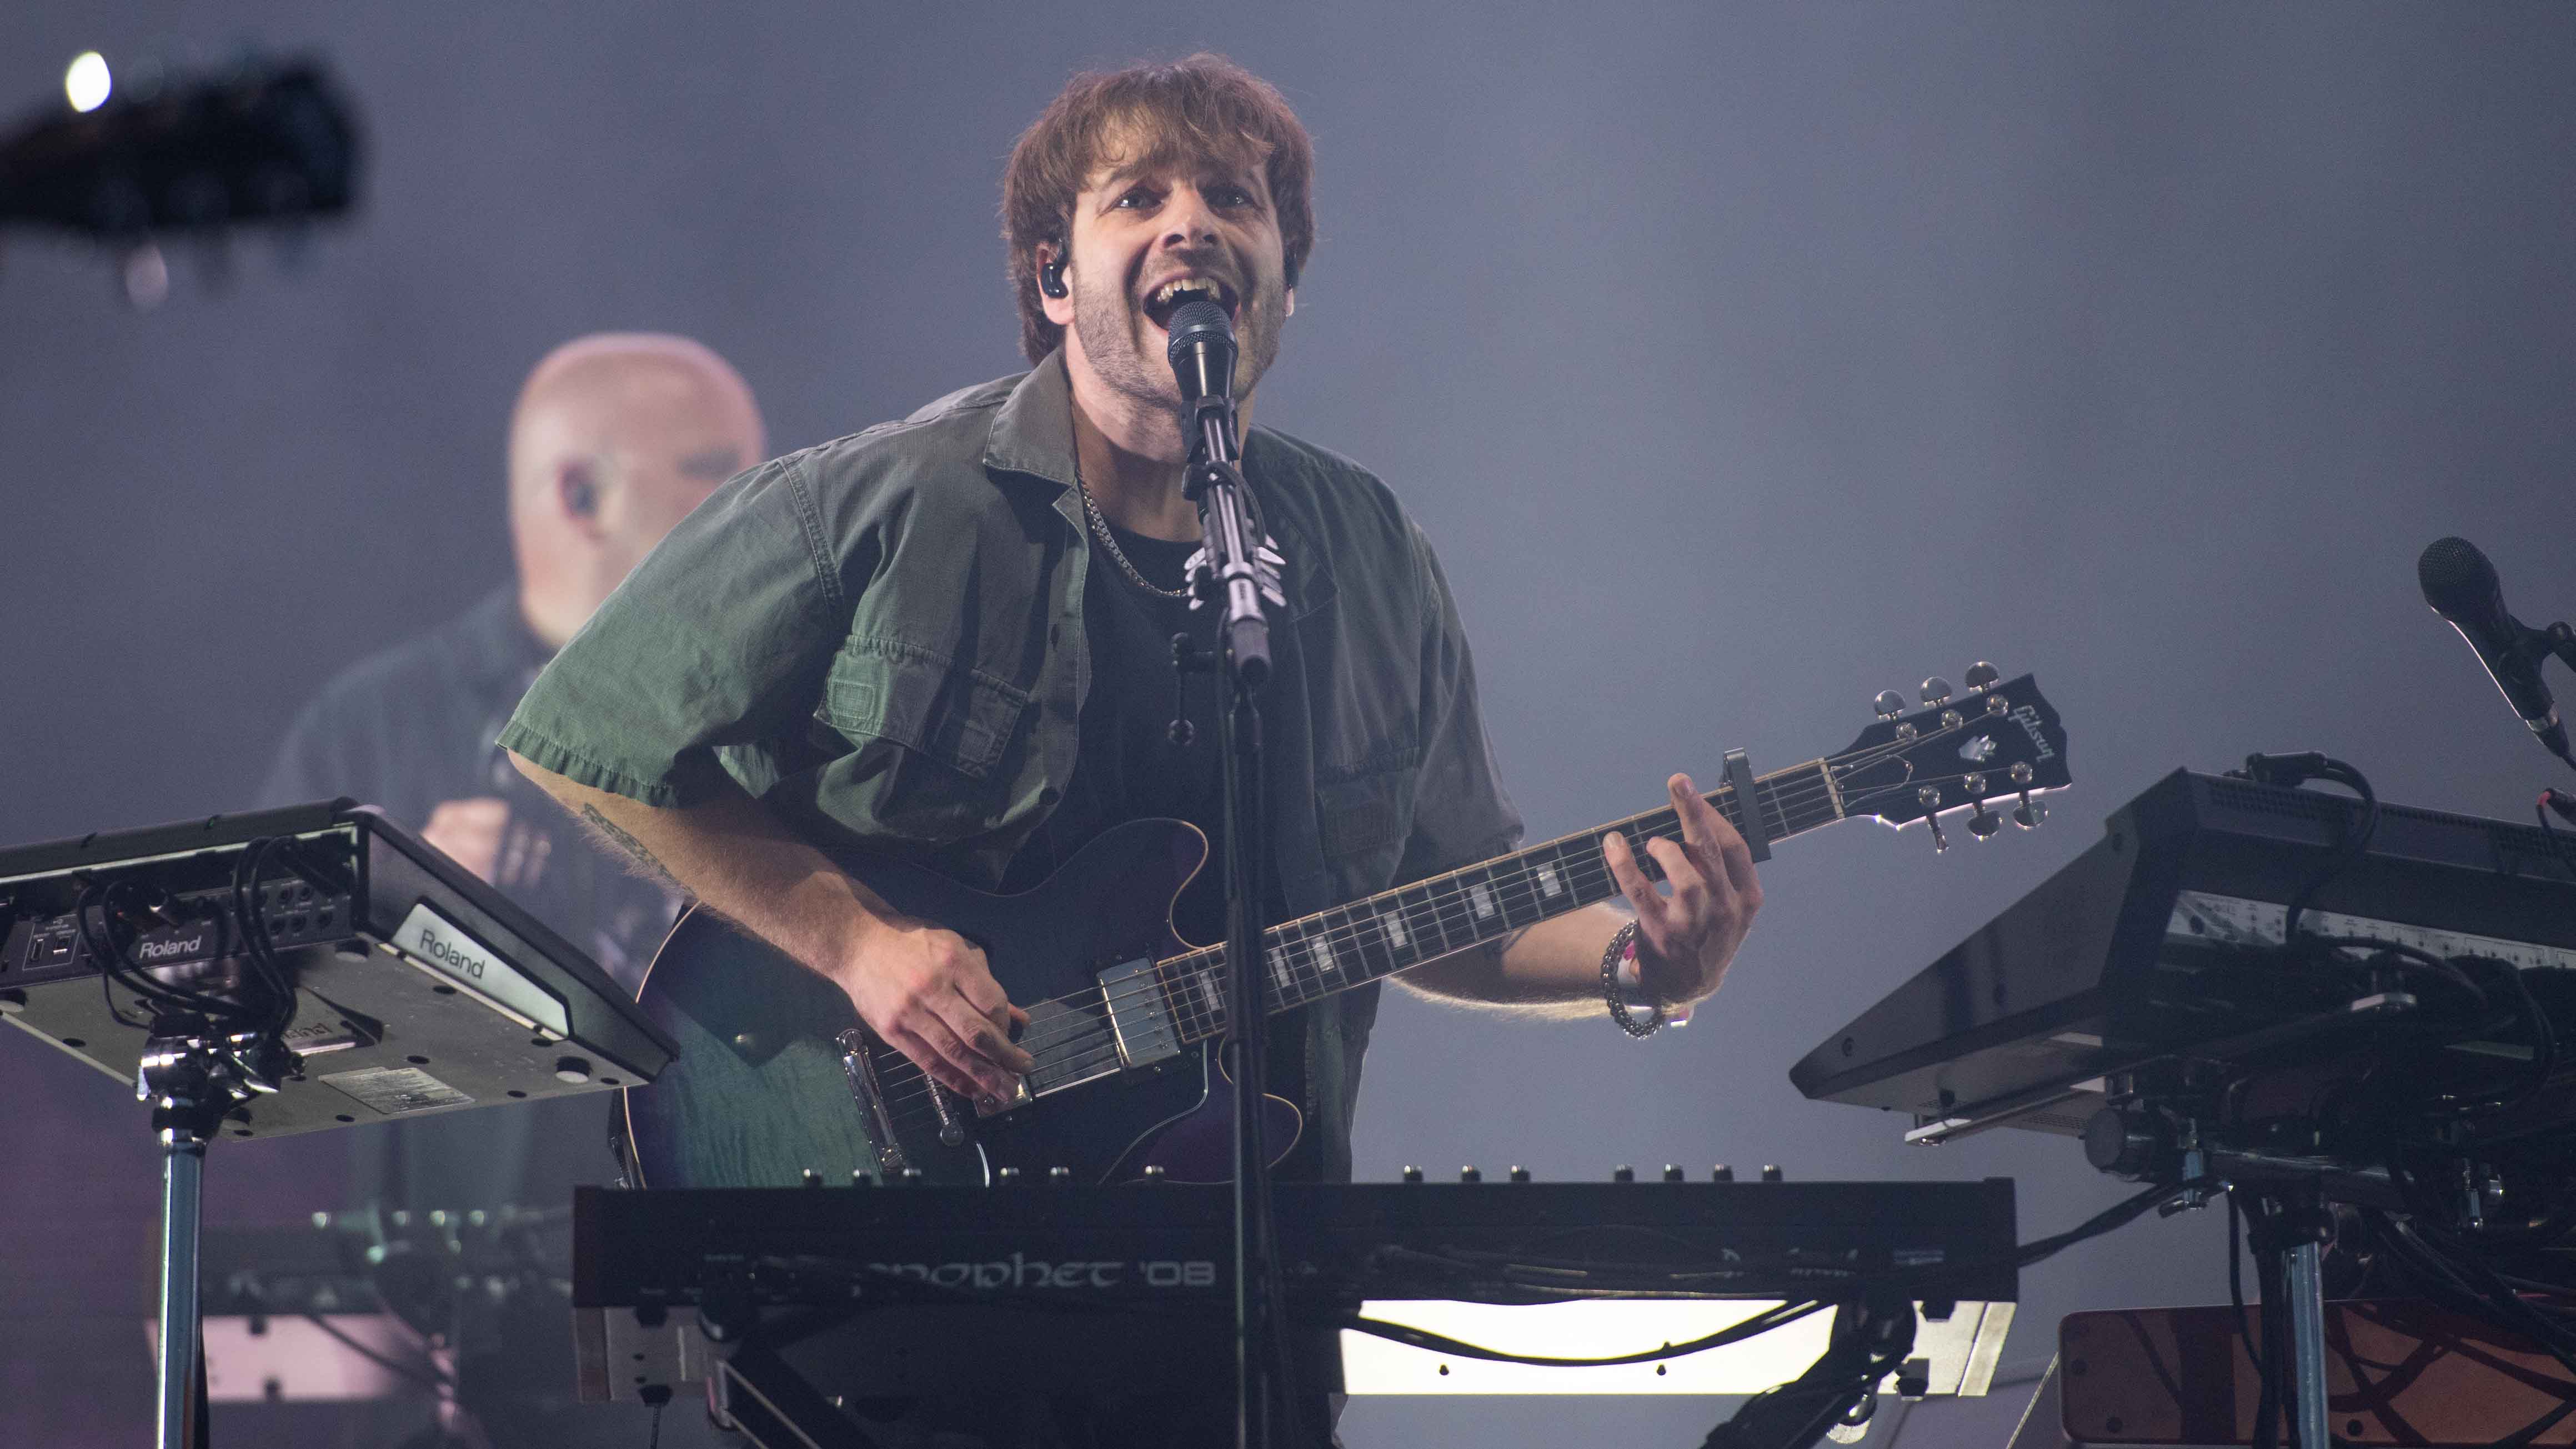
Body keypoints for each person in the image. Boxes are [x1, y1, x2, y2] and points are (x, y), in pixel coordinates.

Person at [500, 56, 1760, 1447]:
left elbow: (1437, 898)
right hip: (887, 1269)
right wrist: (860, 946)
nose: (1191, 225)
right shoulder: (895, 500)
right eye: (1136, 198)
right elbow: (585, 738)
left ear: (1284, 284)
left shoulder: (1368, 556)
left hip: (1239, 1296)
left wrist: (1646, 968)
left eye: (1235, 198)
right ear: (1055, 281)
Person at [259, 331, 763, 1447]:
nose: (756, 506)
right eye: (716, 470)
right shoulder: (374, 726)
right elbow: (248, 1034)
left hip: (713, 1310)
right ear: (580, 492)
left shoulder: (774, 710)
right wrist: (391, 922)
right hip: (452, 1340)